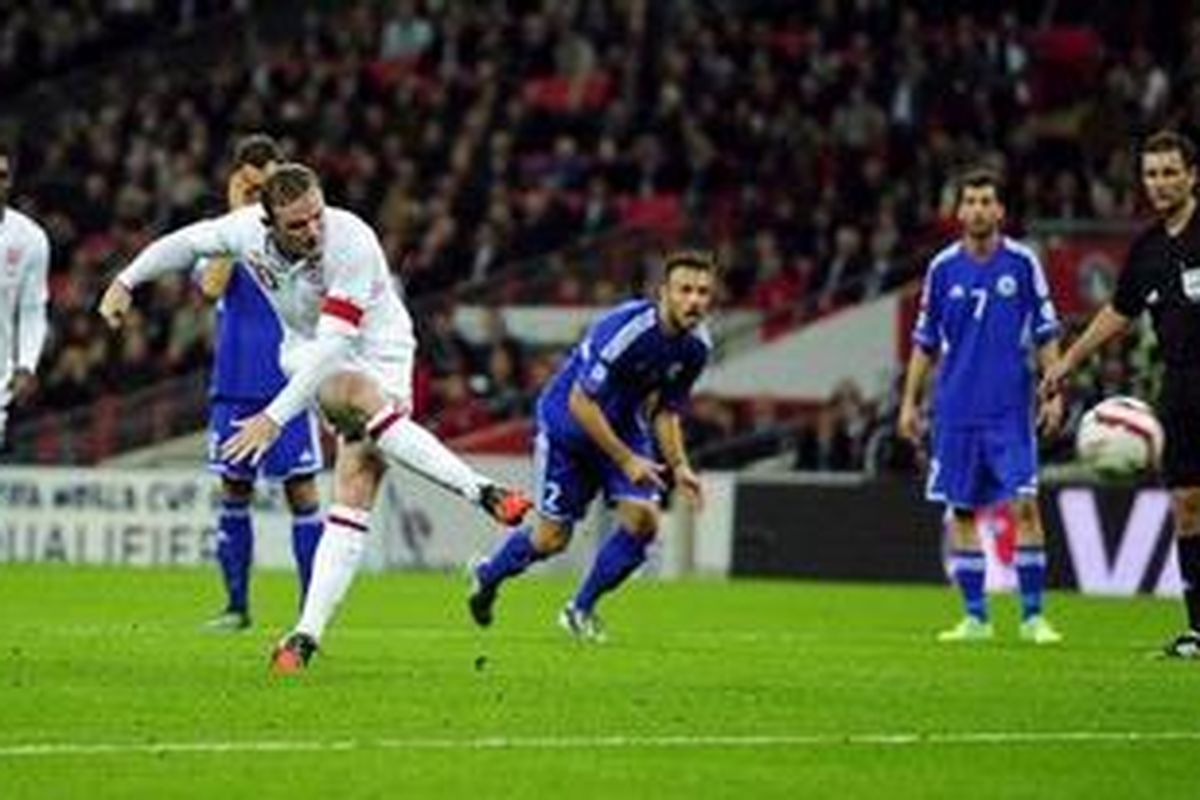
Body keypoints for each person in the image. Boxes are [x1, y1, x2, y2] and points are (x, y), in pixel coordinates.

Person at [98, 163, 531, 673]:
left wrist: (275, 417)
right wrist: (126, 280)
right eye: (298, 225)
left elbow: (339, 344)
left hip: (384, 348)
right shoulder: (244, 232)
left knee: (355, 487)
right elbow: (186, 243)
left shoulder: (352, 241)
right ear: (269, 223)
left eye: (316, 216)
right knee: (356, 392)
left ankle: (304, 637)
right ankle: (483, 490)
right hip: (306, 353)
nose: (312, 230)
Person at [467, 250, 714, 641]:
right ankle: (487, 575)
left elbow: (666, 411)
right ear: (663, 292)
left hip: (624, 430)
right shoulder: (626, 330)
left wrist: (681, 465)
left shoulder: (696, 348)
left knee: (644, 520)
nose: (694, 300)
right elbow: (581, 402)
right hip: (568, 428)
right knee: (551, 540)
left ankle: (579, 609)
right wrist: (626, 458)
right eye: (685, 290)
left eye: (703, 292)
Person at [1042, 130, 1200, 658]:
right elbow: (1119, 311)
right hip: (1180, 388)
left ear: (1192, 175)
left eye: (1169, 172)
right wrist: (1067, 360)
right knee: (1186, 505)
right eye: (1152, 174)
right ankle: (1198, 631)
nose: (1159, 183)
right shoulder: (1149, 249)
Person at [899, 167, 1065, 645]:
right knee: (963, 512)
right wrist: (909, 403)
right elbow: (925, 342)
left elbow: (1045, 332)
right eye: (969, 201)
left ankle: (1033, 617)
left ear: (1000, 210)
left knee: (1026, 506)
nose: (977, 209)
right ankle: (977, 618)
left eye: (985, 201)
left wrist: (1052, 393)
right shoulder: (942, 268)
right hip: (955, 408)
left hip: (1009, 409)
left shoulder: (1022, 263)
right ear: (958, 211)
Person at [196, 134, 323, 631]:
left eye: (263, 187)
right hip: (234, 383)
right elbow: (211, 285)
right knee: (234, 490)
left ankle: (311, 616)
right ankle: (236, 607)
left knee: (303, 495)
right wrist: (234, 214)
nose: (256, 196)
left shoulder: (299, 235)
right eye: (249, 186)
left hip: (288, 383)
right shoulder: (221, 234)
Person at [0, 140, 49, 451]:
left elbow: (33, 310)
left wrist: (26, 365)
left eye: (2, 175)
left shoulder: (30, 239)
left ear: (11, 180)